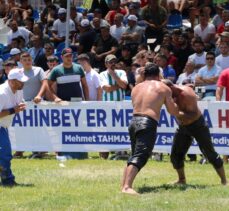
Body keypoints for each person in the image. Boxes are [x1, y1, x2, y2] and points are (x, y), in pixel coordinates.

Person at [121, 63, 179, 195]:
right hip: (147, 122)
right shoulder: (163, 87)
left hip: (133, 122)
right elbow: (172, 111)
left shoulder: (136, 88)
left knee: (134, 154)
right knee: (141, 156)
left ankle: (124, 185)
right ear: (159, 75)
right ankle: (127, 187)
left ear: (145, 74)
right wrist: (177, 104)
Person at [162, 79, 227, 186]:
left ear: (171, 88)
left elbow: (192, 115)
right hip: (183, 127)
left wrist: (177, 113)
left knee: (209, 153)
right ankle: (182, 180)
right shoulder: (169, 95)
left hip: (197, 124)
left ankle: (224, 181)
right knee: (175, 155)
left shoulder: (186, 94)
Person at [0, 68, 28, 186]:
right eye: (20, 81)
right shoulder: (2, 93)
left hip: (3, 125)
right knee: (5, 153)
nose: (23, 83)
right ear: (11, 81)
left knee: (4, 153)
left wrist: (20, 105)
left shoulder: (19, 89)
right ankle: (8, 180)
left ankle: (7, 179)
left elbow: (18, 101)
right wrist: (13, 110)